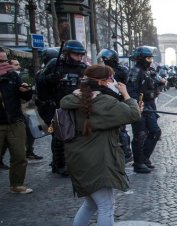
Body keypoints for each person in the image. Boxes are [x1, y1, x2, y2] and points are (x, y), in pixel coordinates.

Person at [60, 64, 140, 226]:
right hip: (97, 159)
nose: (115, 82)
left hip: (79, 158)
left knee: (91, 204)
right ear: (104, 82)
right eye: (112, 79)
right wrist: (125, 93)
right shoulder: (103, 102)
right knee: (105, 205)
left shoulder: (73, 98)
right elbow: (133, 114)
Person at [37, 40, 87, 176]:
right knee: (59, 138)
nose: (79, 58)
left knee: (76, 136)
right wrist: (48, 79)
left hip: (76, 106)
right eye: (76, 55)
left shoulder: (82, 67)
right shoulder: (54, 64)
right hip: (57, 107)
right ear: (66, 53)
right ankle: (59, 164)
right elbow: (40, 86)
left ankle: (73, 162)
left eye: (81, 55)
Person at [0, 49, 34, 193]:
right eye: (0, 61)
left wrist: (25, 91)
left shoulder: (12, 75)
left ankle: (17, 184)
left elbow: (24, 97)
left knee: (20, 155)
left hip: (15, 120)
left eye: (5, 60)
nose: (4, 63)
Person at [127, 46, 161, 173]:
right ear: (141, 59)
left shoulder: (147, 71)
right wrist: (138, 105)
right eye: (148, 58)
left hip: (149, 106)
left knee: (155, 132)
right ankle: (138, 163)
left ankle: (145, 158)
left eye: (151, 58)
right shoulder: (135, 72)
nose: (150, 60)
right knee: (140, 135)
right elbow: (131, 91)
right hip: (140, 107)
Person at [97, 48, 133, 163]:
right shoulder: (122, 71)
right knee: (120, 130)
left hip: (113, 103)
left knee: (119, 130)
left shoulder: (110, 72)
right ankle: (125, 153)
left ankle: (124, 154)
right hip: (116, 102)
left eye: (104, 60)